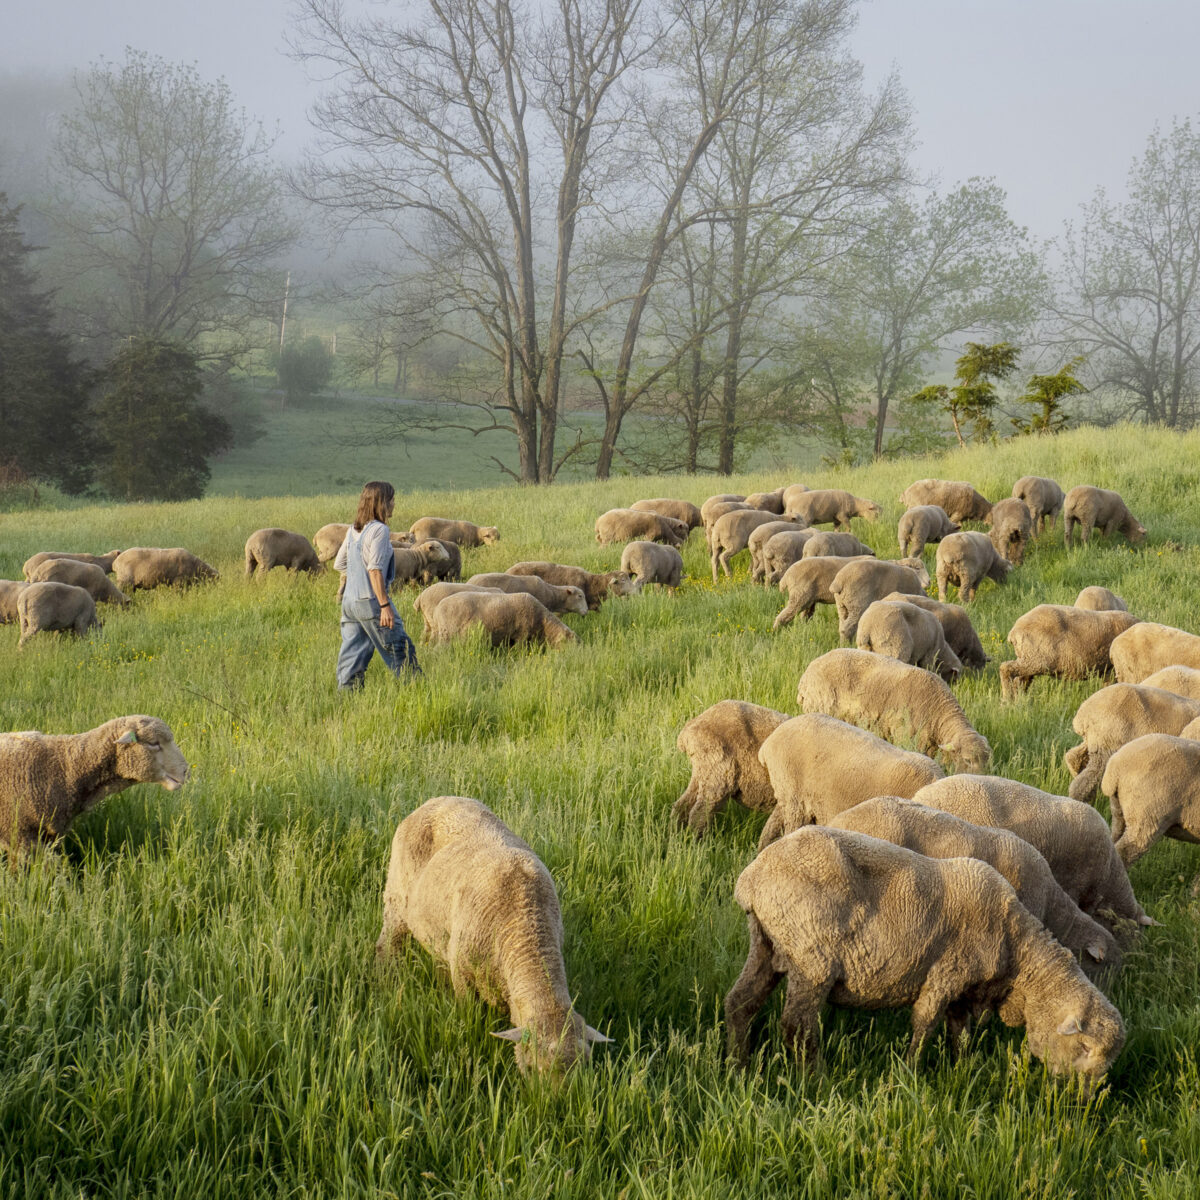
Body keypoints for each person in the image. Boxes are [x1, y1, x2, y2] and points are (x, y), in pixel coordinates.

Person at [334, 480, 421, 689]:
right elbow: (374, 570)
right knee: (400, 649)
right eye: (391, 500)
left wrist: (356, 580)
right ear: (382, 503)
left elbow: (339, 563)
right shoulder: (380, 530)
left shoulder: (353, 530)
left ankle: (347, 699)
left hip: (350, 604)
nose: (394, 504)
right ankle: (416, 693)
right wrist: (384, 605)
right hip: (372, 603)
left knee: (352, 657)